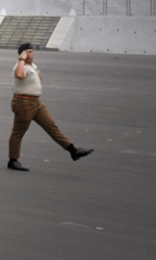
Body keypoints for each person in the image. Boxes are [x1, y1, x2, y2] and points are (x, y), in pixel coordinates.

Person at [7, 43, 93, 171]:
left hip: (36, 103)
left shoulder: (33, 66)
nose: (31, 54)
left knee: (51, 126)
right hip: (23, 103)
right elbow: (19, 75)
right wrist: (21, 60)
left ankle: (73, 150)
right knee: (18, 132)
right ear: (22, 54)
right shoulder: (19, 65)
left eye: (32, 51)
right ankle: (13, 161)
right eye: (28, 52)